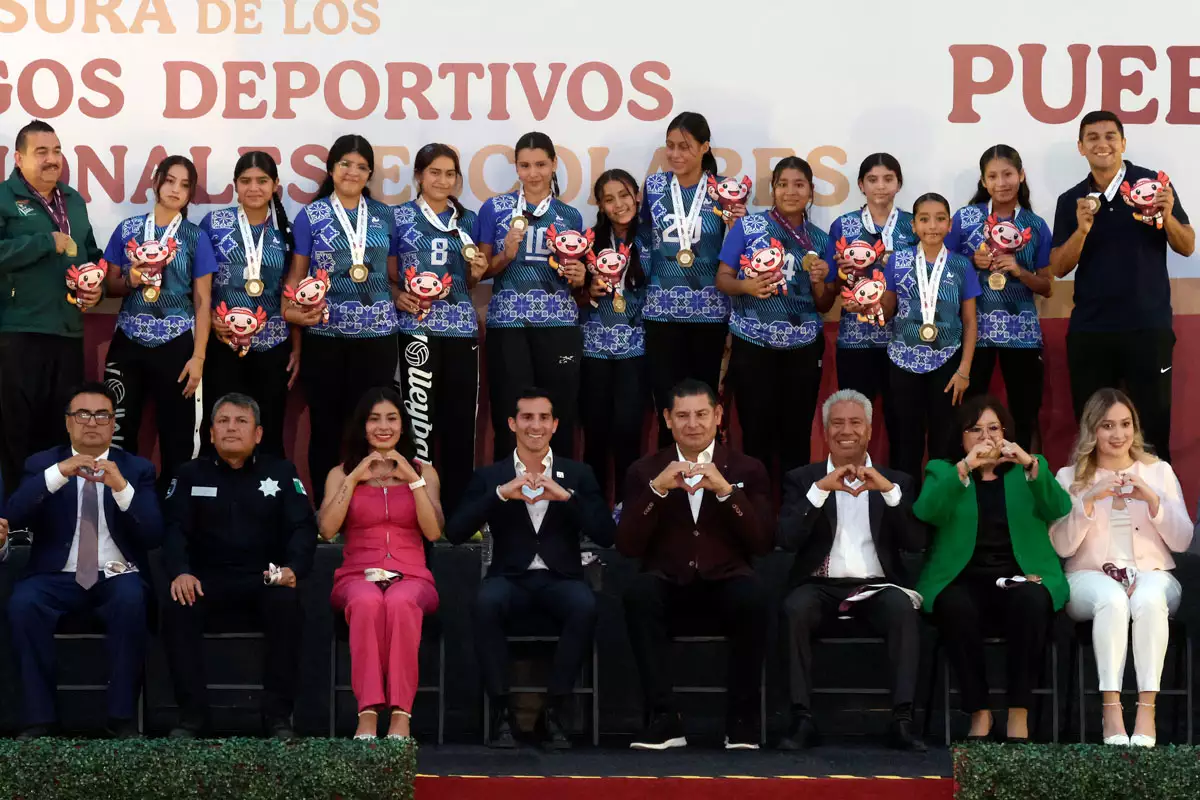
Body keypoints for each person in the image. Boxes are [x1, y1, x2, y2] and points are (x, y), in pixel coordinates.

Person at [445, 388, 614, 749]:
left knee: (585, 606)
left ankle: (555, 711)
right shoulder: (492, 475)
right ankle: (502, 711)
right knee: (485, 604)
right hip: (510, 577)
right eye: (526, 417)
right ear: (512, 424)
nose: (534, 426)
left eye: (543, 418)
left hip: (561, 578)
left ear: (554, 425)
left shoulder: (578, 474)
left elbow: (605, 534)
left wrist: (566, 498)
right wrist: (500, 495)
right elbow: (456, 533)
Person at [617, 379, 771, 751]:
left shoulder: (747, 469)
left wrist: (725, 491)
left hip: (726, 585)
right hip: (669, 587)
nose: (693, 424)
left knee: (753, 596)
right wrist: (656, 490)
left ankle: (741, 721)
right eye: (682, 415)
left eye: (702, 414)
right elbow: (627, 546)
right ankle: (664, 719)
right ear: (667, 419)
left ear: (718, 416)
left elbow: (763, 543)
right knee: (639, 593)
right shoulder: (645, 470)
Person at [3, 382, 163, 739]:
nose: (92, 422)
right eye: (83, 414)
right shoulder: (42, 463)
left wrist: (121, 487)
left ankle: (120, 718)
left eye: (102, 415)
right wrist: (60, 473)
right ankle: (39, 719)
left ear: (113, 424)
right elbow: (13, 513)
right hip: (54, 576)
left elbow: (154, 533)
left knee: (131, 599)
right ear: (68, 423)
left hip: (116, 574)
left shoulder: (136, 468)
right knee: (23, 604)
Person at [776, 389, 926, 751]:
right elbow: (786, 539)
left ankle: (902, 720)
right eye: (838, 423)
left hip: (877, 586)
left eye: (855, 422)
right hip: (820, 584)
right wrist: (819, 492)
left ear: (870, 430)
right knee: (794, 609)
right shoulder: (802, 479)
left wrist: (889, 493)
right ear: (826, 431)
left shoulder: (898, 481)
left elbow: (916, 541)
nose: (847, 430)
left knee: (903, 611)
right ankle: (801, 719)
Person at [915, 396, 1071, 742]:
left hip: (1021, 575)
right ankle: (979, 713)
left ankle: (1019, 713)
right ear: (961, 438)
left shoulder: (1030, 469)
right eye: (975, 430)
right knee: (954, 606)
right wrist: (964, 470)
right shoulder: (944, 471)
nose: (986, 437)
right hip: (963, 578)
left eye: (994, 428)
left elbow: (1059, 506)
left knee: (1032, 600)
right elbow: (927, 512)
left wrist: (1031, 464)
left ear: (1007, 433)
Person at [162, 393, 317, 740]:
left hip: (264, 577)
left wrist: (294, 568)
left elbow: (303, 527)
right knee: (177, 607)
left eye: (241, 421)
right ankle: (192, 717)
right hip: (205, 579)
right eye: (223, 422)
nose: (232, 428)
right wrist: (180, 571)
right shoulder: (188, 474)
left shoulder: (281, 471)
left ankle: (278, 717)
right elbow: (173, 530)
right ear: (211, 432)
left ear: (258, 433)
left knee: (288, 605)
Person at [1050, 388, 1194, 747]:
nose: (1118, 435)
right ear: (1092, 431)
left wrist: (1152, 499)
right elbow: (1060, 545)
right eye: (1107, 426)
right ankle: (1111, 708)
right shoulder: (1069, 477)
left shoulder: (1157, 471)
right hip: (1088, 577)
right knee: (1112, 599)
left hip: (1153, 574)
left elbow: (1183, 540)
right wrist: (1088, 501)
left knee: (1147, 598)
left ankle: (1147, 710)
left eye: (1125, 424)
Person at [1050, 110, 1194, 461]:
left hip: (1148, 327)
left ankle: (1159, 514)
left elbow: (1186, 245)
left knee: (1153, 430)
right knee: (1093, 432)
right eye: (1093, 138)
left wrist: (1166, 217)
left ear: (1123, 143)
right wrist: (1082, 231)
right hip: (1091, 331)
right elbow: (1057, 267)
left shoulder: (1153, 186)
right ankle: (1095, 513)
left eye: (1110, 136)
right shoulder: (1072, 200)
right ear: (1081, 147)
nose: (1102, 144)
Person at [319, 387, 444, 740]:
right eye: (374, 419)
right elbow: (328, 530)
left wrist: (413, 479)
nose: (383, 426)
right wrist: (354, 477)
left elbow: (433, 532)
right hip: (356, 577)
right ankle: (368, 712)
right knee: (368, 601)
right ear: (362, 427)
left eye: (391, 418)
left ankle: (402, 714)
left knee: (401, 602)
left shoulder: (425, 472)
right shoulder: (340, 473)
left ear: (403, 426)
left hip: (413, 577)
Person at [285, 135, 399, 504]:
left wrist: (404, 297)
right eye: (345, 164)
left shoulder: (384, 215)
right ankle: (326, 510)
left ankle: (369, 509)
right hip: (326, 337)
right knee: (327, 427)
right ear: (331, 169)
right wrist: (297, 324)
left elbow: (391, 276)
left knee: (372, 427)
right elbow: (295, 281)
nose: (352, 172)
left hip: (379, 336)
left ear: (369, 174)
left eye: (361, 166)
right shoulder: (311, 216)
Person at [0, 120, 104, 494]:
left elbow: (92, 256)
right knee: (14, 435)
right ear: (19, 158)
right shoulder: (3, 198)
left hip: (67, 333)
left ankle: (52, 525)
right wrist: (45, 242)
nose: (51, 159)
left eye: (56, 151)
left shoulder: (73, 200)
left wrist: (97, 287)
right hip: (18, 333)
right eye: (41, 152)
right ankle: (13, 526)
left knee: (59, 434)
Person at [102, 155, 217, 489]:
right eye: (170, 180)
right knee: (118, 432)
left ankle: (174, 516)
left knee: (178, 438)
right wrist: (131, 280)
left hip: (177, 342)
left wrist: (198, 357)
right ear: (155, 182)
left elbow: (203, 301)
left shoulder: (196, 238)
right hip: (128, 340)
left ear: (191, 194)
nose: (175, 190)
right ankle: (120, 508)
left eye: (184, 185)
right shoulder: (128, 229)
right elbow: (110, 286)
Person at [716, 156, 833, 482]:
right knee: (756, 433)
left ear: (810, 192)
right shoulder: (747, 227)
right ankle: (758, 514)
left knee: (796, 436)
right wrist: (746, 285)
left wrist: (821, 281)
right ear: (773, 190)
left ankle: (794, 517)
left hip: (803, 348)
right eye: (783, 184)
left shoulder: (821, 240)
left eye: (799, 185)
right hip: (753, 344)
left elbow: (824, 303)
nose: (791, 191)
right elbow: (722, 279)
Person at [474, 132, 586, 458]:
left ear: (554, 165)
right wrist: (506, 254)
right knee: (511, 415)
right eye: (525, 165)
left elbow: (573, 276)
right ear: (516, 168)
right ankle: (510, 497)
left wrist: (578, 276)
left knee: (559, 414)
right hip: (508, 326)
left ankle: (558, 496)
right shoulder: (494, 210)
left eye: (540, 164)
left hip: (559, 326)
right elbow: (482, 271)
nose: (533, 173)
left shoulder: (570, 215)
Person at [392, 143, 489, 519]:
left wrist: (478, 271)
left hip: (461, 330)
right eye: (435, 172)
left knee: (459, 422)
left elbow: (470, 277)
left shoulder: (468, 219)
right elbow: (386, 273)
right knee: (419, 422)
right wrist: (398, 294)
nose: (442, 180)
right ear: (419, 176)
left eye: (450, 174)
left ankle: (459, 514)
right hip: (416, 331)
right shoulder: (398, 217)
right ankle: (419, 511)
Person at [946, 145, 1053, 452]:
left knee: (1025, 414)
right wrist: (969, 262)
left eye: (1008, 174)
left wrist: (1019, 271)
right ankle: (970, 481)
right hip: (972, 335)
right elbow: (939, 270)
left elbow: (1047, 286)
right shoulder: (965, 220)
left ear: (1021, 175)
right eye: (993, 176)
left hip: (1022, 335)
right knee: (969, 415)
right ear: (983, 181)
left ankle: (1024, 480)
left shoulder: (1035, 225)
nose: (1001, 182)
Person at [640, 113, 736, 447]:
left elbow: (741, 246)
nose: (676, 154)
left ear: (704, 147)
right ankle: (670, 479)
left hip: (709, 313)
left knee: (703, 403)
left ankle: (704, 480)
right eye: (670, 146)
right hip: (659, 312)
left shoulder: (724, 189)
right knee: (668, 403)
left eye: (685, 146)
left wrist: (739, 221)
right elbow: (641, 240)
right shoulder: (653, 187)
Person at [199, 151, 297, 457]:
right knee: (219, 427)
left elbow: (291, 292)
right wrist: (210, 318)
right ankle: (216, 498)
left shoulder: (287, 230)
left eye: (262, 181)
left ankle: (266, 499)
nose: (253, 188)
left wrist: (297, 348)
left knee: (267, 428)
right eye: (246, 181)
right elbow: (196, 283)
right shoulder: (213, 224)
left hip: (272, 345)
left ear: (275, 185)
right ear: (235, 186)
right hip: (223, 343)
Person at [883, 193, 981, 483]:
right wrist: (870, 303)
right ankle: (903, 512)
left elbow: (970, 322)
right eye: (924, 219)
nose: (932, 226)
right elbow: (887, 309)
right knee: (905, 441)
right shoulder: (897, 262)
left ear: (950, 224)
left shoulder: (962, 266)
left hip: (947, 363)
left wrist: (964, 370)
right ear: (913, 226)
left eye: (940, 219)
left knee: (944, 441)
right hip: (902, 361)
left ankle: (941, 510)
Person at [825, 154, 915, 428]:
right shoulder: (844, 225)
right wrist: (844, 273)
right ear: (861, 185)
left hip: (903, 340)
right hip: (856, 341)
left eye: (888, 179)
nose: (880, 186)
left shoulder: (913, 225)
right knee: (853, 421)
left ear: (899, 184)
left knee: (902, 422)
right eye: (872, 180)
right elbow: (833, 283)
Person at [580, 169, 649, 506]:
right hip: (593, 349)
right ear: (601, 205)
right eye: (609, 199)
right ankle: (593, 512)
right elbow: (570, 294)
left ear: (637, 195)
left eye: (624, 195)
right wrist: (587, 291)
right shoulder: (587, 240)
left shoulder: (652, 237)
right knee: (594, 434)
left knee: (628, 433)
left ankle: (627, 508)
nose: (619, 204)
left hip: (637, 350)